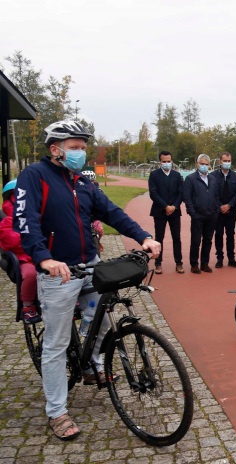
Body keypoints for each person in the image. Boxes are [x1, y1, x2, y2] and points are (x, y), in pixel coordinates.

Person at [13, 120, 161, 441]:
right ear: (55, 150)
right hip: (57, 271)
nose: (82, 153)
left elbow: (111, 212)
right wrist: (44, 258)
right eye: (75, 148)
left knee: (103, 322)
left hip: (88, 263)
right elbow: (25, 221)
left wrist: (143, 236)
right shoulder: (34, 177)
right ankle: (57, 411)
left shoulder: (82, 181)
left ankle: (92, 364)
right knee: (56, 343)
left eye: (83, 147)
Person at [0, 179, 39, 323]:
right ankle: (27, 306)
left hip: (42, 256)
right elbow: (11, 240)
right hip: (24, 259)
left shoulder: (37, 217)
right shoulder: (8, 221)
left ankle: (67, 300)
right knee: (31, 274)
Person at [148, 150, 184, 274]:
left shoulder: (177, 175)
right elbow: (153, 193)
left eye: (169, 161)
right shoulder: (154, 175)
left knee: (177, 238)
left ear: (172, 161)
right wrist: (165, 206)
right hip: (159, 211)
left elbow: (181, 193)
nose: (167, 163)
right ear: (160, 162)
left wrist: (174, 206)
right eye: (164, 162)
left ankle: (179, 263)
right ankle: (158, 263)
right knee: (159, 238)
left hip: (175, 212)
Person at [183, 154, 219, 274]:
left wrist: (216, 210)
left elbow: (217, 196)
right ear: (197, 164)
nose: (204, 166)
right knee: (196, 241)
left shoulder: (213, 179)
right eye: (202, 163)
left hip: (211, 215)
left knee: (208, 240)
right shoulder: (190, 179)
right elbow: (187, 198)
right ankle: (194, 264)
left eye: (206, 164)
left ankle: (205, 263)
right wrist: (192, 213)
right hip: (197, 215)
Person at [209, 151, 236, 268]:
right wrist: (220, 206)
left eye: (229, 161)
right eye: (225, 161)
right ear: (220, 161)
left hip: (231, 210)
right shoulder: (212, 176)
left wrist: (229, 205)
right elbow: (212, 193)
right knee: (218, 234)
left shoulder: (235, 176)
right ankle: (220, 258)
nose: (227, 163)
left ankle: (231, 258)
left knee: (230, 235)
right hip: (218, 211)